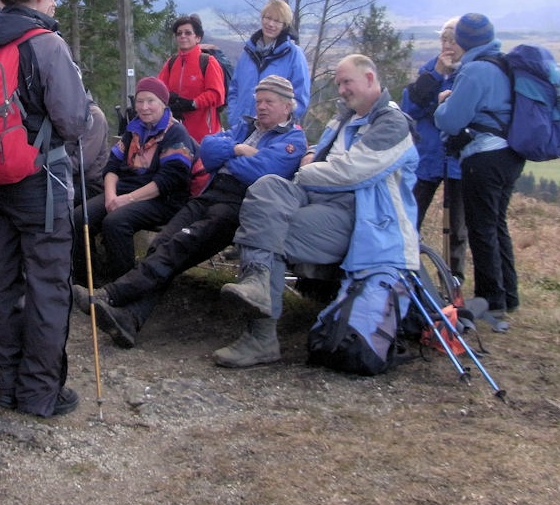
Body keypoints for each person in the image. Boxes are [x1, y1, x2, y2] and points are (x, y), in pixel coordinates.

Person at [73, 75, 307, 350]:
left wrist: (226, 158)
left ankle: (112, 295)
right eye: (259, 101)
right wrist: (238, 150)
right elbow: (207, 150)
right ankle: (130, 318)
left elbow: (261, 171)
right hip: (208, 195)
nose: (261, 107)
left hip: (239, 205)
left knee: (180, 245)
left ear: (287, 106)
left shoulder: (293, 139)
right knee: (162, 244)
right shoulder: (245, 129)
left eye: (269, 102)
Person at [218, 55, 418, 367]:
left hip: (359, 216)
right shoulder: (345, 118)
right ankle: (256, 282)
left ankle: (261, 338)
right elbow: (325, 153)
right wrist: (312, 153)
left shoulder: (392, 123)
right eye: (338, 83)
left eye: (346, 82)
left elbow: (352, 172)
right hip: (316, 198)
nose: (341, 89)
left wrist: (306, 171)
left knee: (271, 234)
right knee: (267, 186)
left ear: (369, 79)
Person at [0, 0, 90, 417]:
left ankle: (8, 383)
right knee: (46, 286)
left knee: (1, 283)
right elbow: (73, 121)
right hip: (40, 182)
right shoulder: (46, 44)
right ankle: (39, 392)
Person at [434, 13, 525, 318]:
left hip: (483, 157)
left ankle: (491, 300)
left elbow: (451, 121)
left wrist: (443, 102)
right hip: (510, 154)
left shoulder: (474, 70)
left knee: (481, 228)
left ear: (463, 40)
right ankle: (508, 294)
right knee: (497, 224)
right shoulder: (503, 64)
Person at [73, 77, 195, 285]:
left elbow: (169, 180)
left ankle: (123, 285)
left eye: (150, 101)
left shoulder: (175, 133)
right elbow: (112, 166)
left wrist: (127, 199)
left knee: (116, 222)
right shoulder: (134, 128)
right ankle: (88, 281)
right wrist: (110, 196)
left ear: (163, 103)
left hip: (162, 199)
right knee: (79, 217)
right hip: (124, 191)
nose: (144, 107)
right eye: (140, 101)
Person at [401, 17, 468, 279]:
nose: (448, 45)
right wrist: (436, 75)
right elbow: (410, 108)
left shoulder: (470, 73)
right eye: (444, 39)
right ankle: (406, 273)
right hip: (427, 156)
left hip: (457, 160)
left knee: (456, 227)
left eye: (454, 40)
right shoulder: (430, 70)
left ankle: (453, 280)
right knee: (410, 215)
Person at [228, 0, 311, 129]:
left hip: (273, 132)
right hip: (240, 128)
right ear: (262, 19)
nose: (271, 24)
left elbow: (300, 98)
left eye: (277, 21)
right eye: (268, 18)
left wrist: (281, 126)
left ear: (284, 25)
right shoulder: (248, 53)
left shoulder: (294, 55)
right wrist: (234, 116)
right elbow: (234, 89)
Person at [157, 14, 227, 143]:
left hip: (204, 134)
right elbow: (158, 89)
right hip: (176, 132)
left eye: (188, 33)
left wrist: (193, 103)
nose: (183, 36)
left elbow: (216, 94)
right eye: (179, 33)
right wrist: (169, 99)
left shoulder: (208, 62)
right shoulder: (171, 63)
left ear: (198, 37)